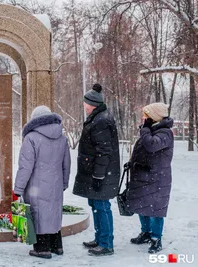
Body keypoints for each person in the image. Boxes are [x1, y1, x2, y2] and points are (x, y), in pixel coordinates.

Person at [14, 105, 71, 259]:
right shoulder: (62, 137)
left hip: (36, 185)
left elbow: (25, 167)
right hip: (56, 184)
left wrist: (18, 189)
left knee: (38, 214)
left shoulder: (31, 138)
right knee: (53, 213)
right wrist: (64, 183)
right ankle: (57, 246)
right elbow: (66, 164)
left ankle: (42, 249)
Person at [72, 83, 120, 256]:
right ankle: (100, 238)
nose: (83, 105)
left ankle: (106, 243)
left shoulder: (100, 121)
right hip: (97, 172)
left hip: (101, 174)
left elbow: (104, 152)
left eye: (85, 103)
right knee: (96, 205)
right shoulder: (98, 118)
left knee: (102, 206)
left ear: (91, 104)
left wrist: (99, 176)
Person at [125, 102, 174, 254]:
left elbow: (152, 145)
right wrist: (132, 163)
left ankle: (156, 238)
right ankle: (145, 232)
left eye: (146, 115)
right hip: (143, 175)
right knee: (143, 205)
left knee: (155, 209)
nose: (143, 117)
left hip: (157, 177)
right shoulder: (152, 130)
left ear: (154, 116)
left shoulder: (165, 133)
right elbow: (144, 150)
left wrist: (145, 130)